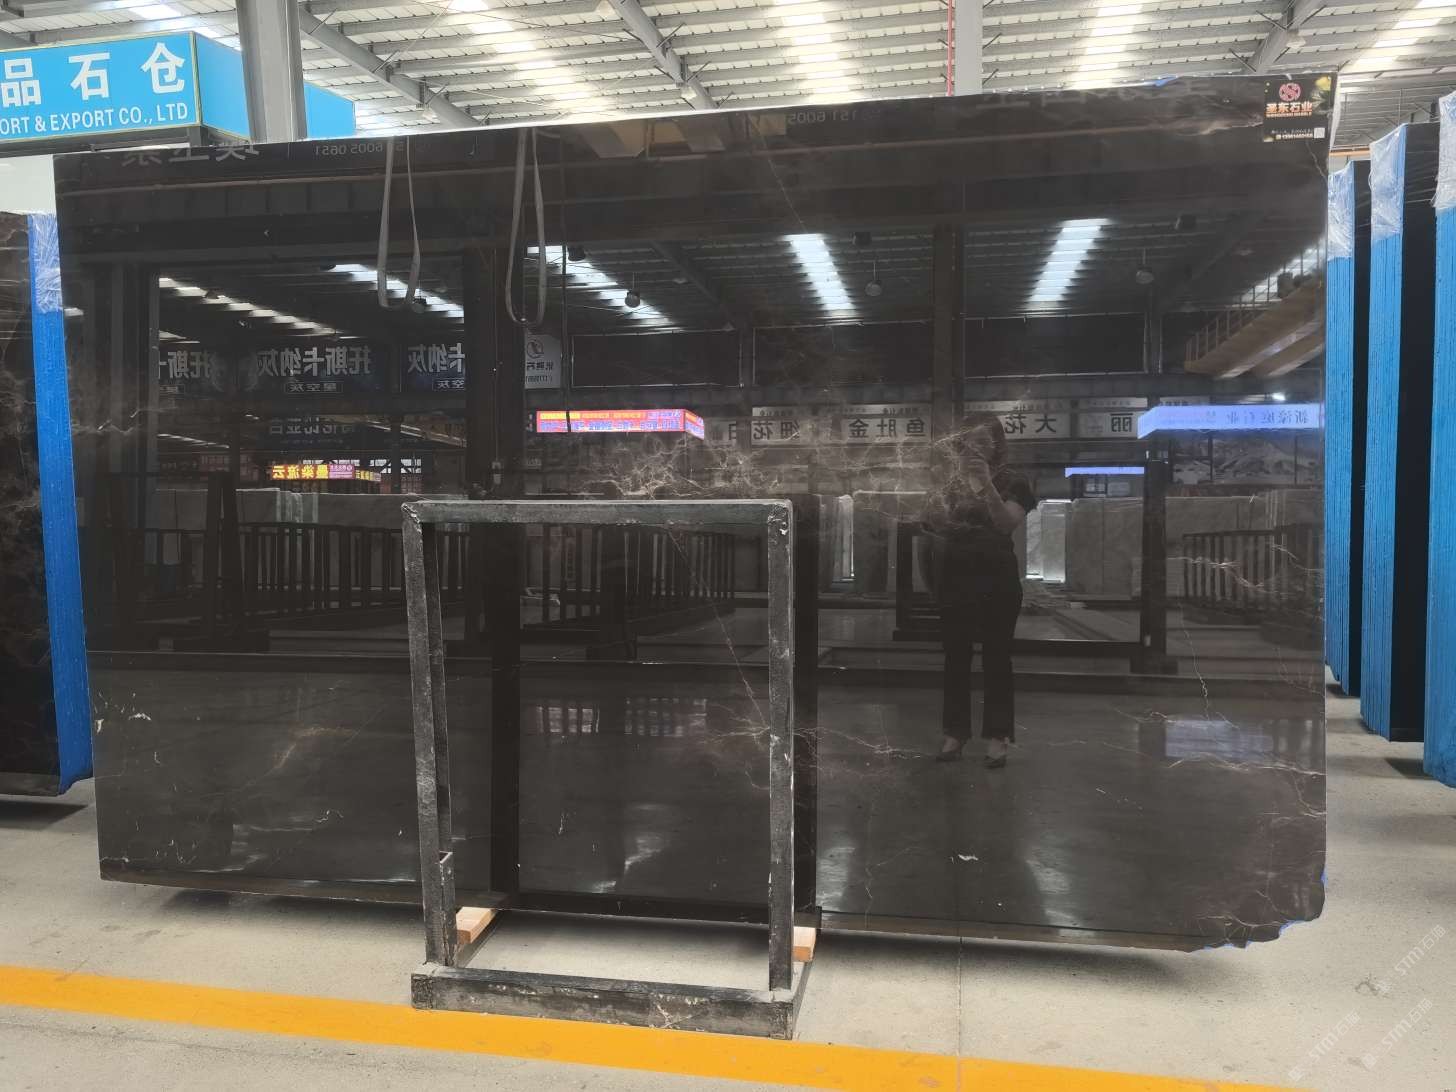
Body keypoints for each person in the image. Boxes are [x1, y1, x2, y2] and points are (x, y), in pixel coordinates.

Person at [925, 415, 1036, 768]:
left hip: (997, 580)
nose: (976, 448)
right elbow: (933, 523)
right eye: (970, 441)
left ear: (997, 445)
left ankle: (998, 736)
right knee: (955, 657)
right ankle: (955, 734)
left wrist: (987, 485)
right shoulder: (951, 482)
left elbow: (1006, 524)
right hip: (955, 578)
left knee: (997, 658)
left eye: (984, 441)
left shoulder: (1013, 481)